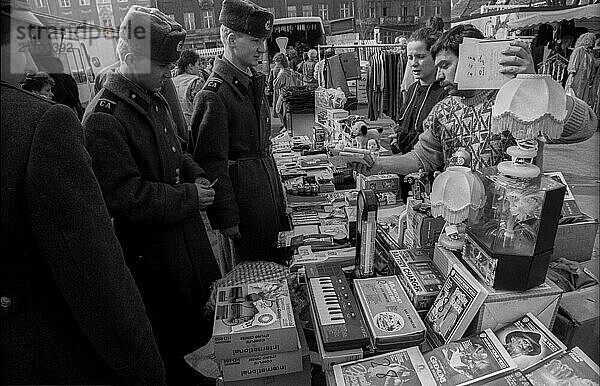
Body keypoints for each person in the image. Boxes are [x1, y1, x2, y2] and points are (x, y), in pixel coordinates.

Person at [1, 0, 166, 384]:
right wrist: (145, 368)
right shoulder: (42, 124)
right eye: (23, 48)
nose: (31, 68)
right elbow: (93, 272)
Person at [82, 6, 221, 384]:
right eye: (161, 64)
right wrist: (189, 198)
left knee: (201, 328)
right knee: (174, 342)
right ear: (128, 58)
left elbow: (176, 147)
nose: (168, 72)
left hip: (185, 244)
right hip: (156, 258)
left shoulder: (150, 94)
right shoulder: (104, 118)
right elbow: (125, 197)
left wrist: (197, 175)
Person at [351, 24, 597, 178]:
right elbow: (422, 158)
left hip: (511, 226)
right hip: (459, 227)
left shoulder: (512, 100)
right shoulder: (443, 110)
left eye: (445, 66)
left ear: (472, 58)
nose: (438, 75)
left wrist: (532, 85)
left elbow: (585, 126)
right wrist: (378, 164)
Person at [191, 0, 289, 267]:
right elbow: (211, 164)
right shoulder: (214, 95)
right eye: (256, 40)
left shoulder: (250, 82)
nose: (262, 49)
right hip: (244, 208)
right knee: (252, 281)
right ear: (232, 40)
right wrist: (227, 217)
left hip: (264, 196)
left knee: (275, 269)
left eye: (264, 41)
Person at [392, 27, 446, 156]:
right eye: (410, 57)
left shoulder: (444, 93)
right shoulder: (412, 89)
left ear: (436, 57)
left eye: (420, 57)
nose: (413, 63)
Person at [172, 49, 205, 128]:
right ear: (190, 66)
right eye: (198, 64)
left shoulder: (171, 81)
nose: (199, 67)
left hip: (176, 126)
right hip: (192, 126)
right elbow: (203, 109)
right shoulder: (197, 81)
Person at [566, 32, 596, 104]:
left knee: (582, 100)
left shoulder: (590, 53)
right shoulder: (578, 50)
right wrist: (571, 77)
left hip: (586, 80)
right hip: (577, 78)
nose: (594, 42)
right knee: (575, 97)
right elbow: (574, 63)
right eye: (593, 40)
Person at [273, 52, 296, 130]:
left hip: (284, 93)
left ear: (279, 61)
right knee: (286, 111)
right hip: (289, 91)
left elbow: (276, 85)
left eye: (276, 61)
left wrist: (274, 81)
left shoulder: (282, 72)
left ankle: (286, 126)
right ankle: (286, 125)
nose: (275, 63)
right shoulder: (288, 70)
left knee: (278, 109)